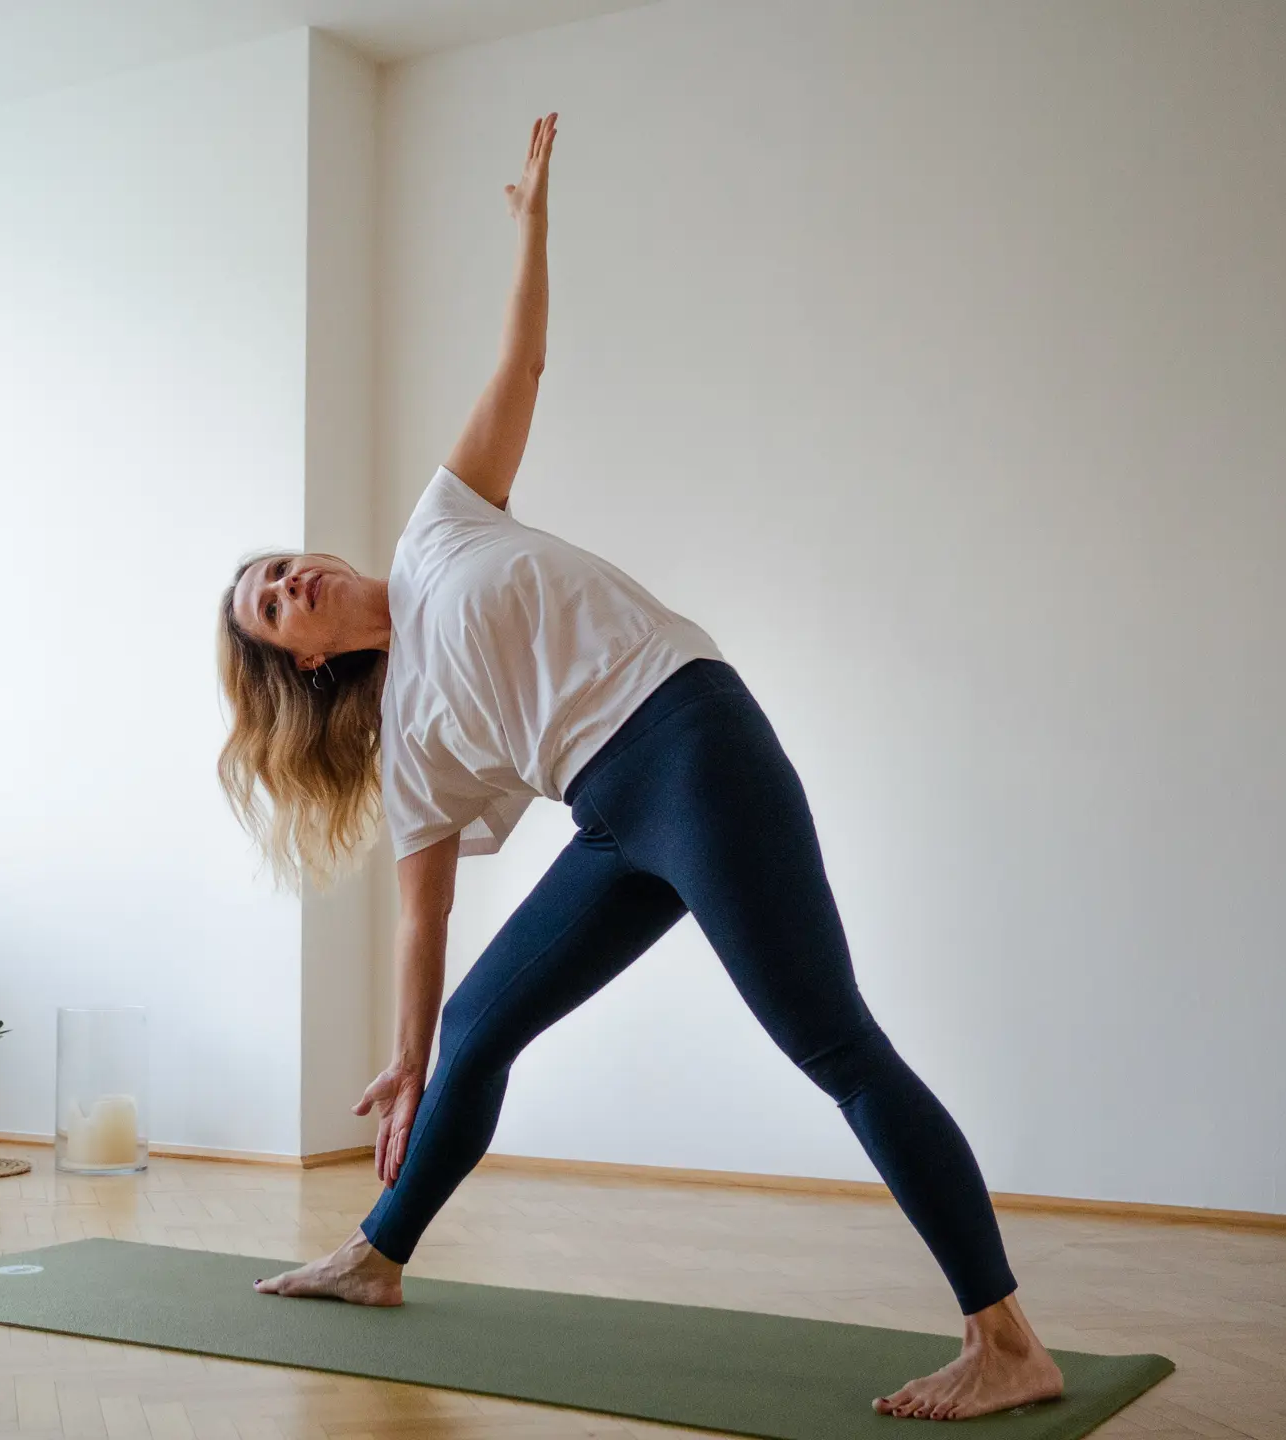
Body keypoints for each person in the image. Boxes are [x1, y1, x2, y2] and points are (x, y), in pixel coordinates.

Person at [215, 113, 1063, 1422]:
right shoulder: (421, 746)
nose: (290, 578)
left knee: (832, 1041)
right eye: (274, 604)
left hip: (693, 743)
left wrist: (532, 227)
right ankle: (380, 1255)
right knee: (476, 1028)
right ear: (305, 660)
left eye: (279, 565)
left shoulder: (441, 526)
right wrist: (402, 1058)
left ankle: (1006, 1338)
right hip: (614, 814)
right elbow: (419, 913)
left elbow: (524, 363)